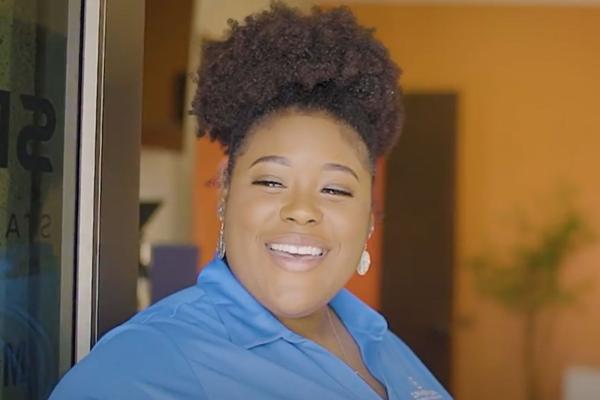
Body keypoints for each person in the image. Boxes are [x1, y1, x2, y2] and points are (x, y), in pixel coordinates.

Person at [50, 3, 452, 399]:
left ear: (369, 218)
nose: (301, 210)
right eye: (271, 181)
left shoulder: (382, 343)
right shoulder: (146, 364)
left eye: (335, 189)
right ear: (225, 193)